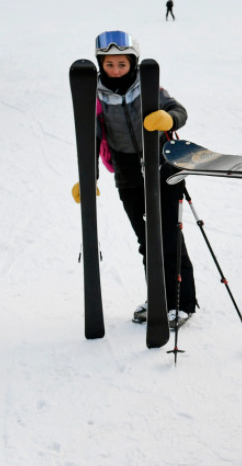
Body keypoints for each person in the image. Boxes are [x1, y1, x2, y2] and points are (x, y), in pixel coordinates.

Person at [74, 31, 197, 328]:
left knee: (167, 235)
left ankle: (181, 301)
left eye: (121, 64)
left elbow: (179, 111)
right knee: (146, 240)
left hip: (161, 165)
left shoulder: (147, 86)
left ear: (132, 62)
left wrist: (168, 119)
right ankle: (158, 296)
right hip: (126, 171)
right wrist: (88, 179)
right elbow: (91, 138)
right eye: (109, 64)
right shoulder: (95, 94)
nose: (115, 70)